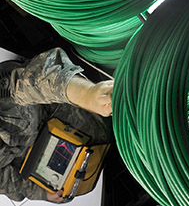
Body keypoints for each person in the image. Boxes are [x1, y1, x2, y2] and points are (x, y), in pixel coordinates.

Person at [0, 47, 113, 203]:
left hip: (49, 108)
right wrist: (42, 194)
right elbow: (7, 183)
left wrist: (85, 94)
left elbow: (28, 82)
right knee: (68, 187)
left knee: (103, 123)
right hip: (35, 151)